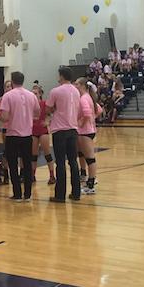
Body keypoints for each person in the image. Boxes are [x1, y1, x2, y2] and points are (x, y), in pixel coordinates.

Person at [0, 71, 40, 202]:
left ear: (12, 81)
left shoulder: (8, 96)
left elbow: (4, 117)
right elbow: (38, 112)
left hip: (12, 134)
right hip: (27, 134)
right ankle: (27, 194)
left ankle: (17, 193)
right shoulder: (31, 95)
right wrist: (28, 117)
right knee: (27, 164)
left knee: (13, 164)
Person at [46, 67, 81, 203]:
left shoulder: (56, 91)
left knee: (60, 162)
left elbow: (48, 109)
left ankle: (60, 195)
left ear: (61, 76)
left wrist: (55, 109)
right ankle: (76, 192)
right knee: (73, 161)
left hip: (60, 130)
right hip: (73, 129)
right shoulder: (76, 91)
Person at [75, 78, 102, 194]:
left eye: (76, 84)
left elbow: (86, 113)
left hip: (85, 131)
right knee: (85, 155)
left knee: (90, 158)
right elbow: (99, 110)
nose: (75, 86)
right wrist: (91, 119)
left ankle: (90, 185)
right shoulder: (88, 97)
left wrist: (81, 123)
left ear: (82, 85)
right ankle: (88, 179)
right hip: (88, 130)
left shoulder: (83, 98)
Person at [31, 83, 55, 185]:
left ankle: (52, 175)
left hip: (42, 130)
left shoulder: (44, 103)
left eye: (35, 93)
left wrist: (48, 121)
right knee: (33, 155)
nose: (34, 95)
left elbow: (52, 113)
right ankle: (32, 175)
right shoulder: (30, 105)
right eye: (32, 93)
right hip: (33, 130)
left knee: (47, 154)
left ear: (40, 94)